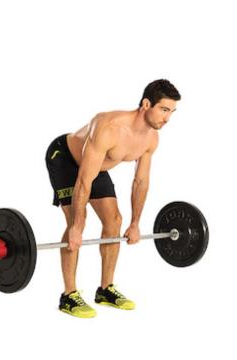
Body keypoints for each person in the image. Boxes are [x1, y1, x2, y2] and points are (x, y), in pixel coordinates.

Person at [45, 79, 181, 318]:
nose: (167, 118)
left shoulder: (151, 139)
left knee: (115, 221)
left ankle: (105, 290)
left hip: (96, 167)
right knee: (77, 222)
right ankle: (69, 295)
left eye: (171, 111)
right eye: (164, 109)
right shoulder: (109, 126)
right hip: (65, 158)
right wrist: (77, 226)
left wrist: (136, 223)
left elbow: (141, 182)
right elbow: (83, 181)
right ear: (146, 104)